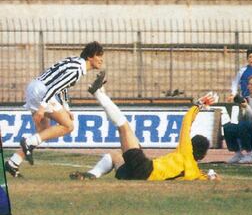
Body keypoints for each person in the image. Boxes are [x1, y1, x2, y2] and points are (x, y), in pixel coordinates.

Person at [70, 73, 220, 181]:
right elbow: (208, 178)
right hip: (136, 176)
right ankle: (91, 175)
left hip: (145, 169)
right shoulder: (195, 173)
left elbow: (187, 121)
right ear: (202, 156)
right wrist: (212, 176)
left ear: (191, 145)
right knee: (116, 156)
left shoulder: (185, 151)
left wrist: (198, 105)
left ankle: (98, 93)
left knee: (124, 126)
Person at [5, 41, 104, 178]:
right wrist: (41, 108)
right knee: (68, 126)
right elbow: (55, 87)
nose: (101, 59)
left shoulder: (74, 62)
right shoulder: (76, 71)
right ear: (90, 57)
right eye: (99, 55)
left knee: (42, 131)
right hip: (42, 91)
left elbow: (62, 86)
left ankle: (13, 162)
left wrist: (66, 108)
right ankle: (28, 143)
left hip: (34, 87)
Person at [223, 75, 252, 163]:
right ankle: (238, 153)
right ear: (247, 86)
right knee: (228, 127)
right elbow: (239, 120)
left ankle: (249, 154)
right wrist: (242, 109)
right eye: (251, 84)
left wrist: (247, 107)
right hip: (245, 126)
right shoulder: (246, 98)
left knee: (244, 125)